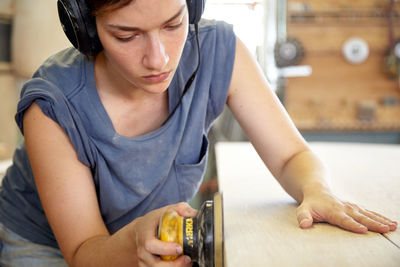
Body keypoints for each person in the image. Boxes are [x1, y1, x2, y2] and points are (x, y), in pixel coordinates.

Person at [0, 0, 397, 266]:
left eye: (174, 23)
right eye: (126, 35)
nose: (159, 58)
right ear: (86, 29)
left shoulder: (218, 50)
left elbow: (291, 156)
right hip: (50, 246)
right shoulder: (52, 104)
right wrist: (132, 244)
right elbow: (85, 250)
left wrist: (317, 190)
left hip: (144, 240)